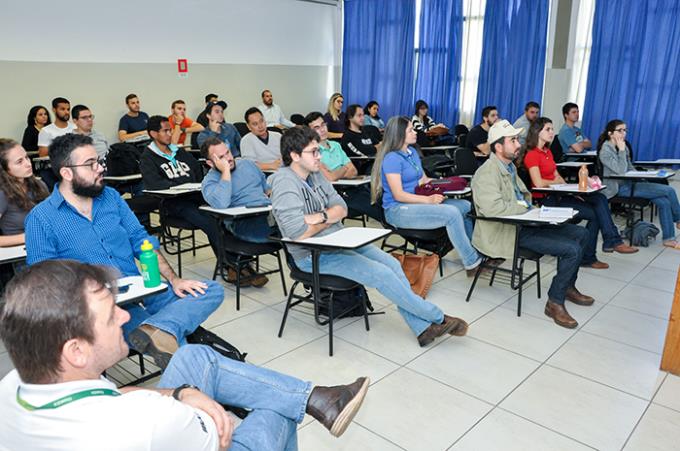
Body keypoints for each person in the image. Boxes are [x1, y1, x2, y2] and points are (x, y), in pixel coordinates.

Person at [0, 259, 370, 450]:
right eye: (112, 314)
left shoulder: (13, 385)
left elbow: (112, 396)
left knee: (194, 357)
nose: (126, 315)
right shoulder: (150, 422)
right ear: (76, 350)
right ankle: (306, 401)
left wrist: (182, 393)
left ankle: (317, 398)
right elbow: (220, 439)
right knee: (274, 409)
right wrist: (194, 408)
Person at [24, 133, 224, 368]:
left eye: (99, 161)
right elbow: (44, 282)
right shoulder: (41, 218)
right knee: (152, 333)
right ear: (67, 173)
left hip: (143, 287)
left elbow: (141, 241)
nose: (100, 168)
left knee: (211, 290)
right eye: (91, 164)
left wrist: (175, 279)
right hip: (106, 305)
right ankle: (190, 358)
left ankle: (163, 330)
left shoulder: (111, 197)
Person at [270, 126, 469, 347]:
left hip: (339, 241)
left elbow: (341, 207)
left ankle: (422, 329)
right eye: (313, 152)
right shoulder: (284, 182)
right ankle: (438, 317)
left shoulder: (315, 175)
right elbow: (297, 232)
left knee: (392, 263)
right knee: (381, 274)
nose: (319, 156)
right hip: (312, 255)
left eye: (318, 150)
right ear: (294, 156)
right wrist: (328, 218)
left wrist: (320, 216)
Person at [471, 120, 595, 328]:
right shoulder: (486, 173)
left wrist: (533, 210)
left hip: (525, 222)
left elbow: (523, 198)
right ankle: (555, 302)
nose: (518, 144)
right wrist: (526, 209)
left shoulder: (509, 168)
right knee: (571, 250)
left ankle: (567, 286)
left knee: (581, 234)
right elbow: (494, 209)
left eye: (517, 140)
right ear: (498, 146)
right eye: (512, 141)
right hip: (509, 231)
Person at [371, 116, 482, 275]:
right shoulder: (392, 159)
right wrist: (428, 200)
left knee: (465, 206)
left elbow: (423, 180)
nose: (415, 132)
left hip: (416, 202)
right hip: (398, 210)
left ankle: (475, 250)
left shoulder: (412, 152)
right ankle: (472, 262)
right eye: (411, 130)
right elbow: (399, 194)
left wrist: (445, 183)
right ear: (399, 134)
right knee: (451, 213)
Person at [521, 117, 637, 266]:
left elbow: (558, 177)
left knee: (600, 198)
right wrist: (556, 182)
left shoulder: (547, 152)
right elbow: (538, 183)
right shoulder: (532, 154)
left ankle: (608, 243)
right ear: (537, 132)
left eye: (552, 128)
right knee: (596, 215)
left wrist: (574, 192)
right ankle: (597, 251)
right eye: (548, 129)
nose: (552, 132)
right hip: (547, 200)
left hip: (558, 194)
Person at [598, 119, 680, 249]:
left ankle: (668, 239)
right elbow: (620, 170)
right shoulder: (605, 151)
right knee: (669, 191)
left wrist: (643, 176)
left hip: (630, 184)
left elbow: (629, 168)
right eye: (620, 130)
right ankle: (679, 220)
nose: (623, 133)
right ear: (610, 133)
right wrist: (622, 150)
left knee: (664, 201)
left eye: (625, 130)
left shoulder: (622, 146)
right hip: (618, 188)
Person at [306, 111, 383, 221]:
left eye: (323, 124)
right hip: (334, 195)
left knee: (379, 198)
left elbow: (353, 170)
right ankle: (397, 226)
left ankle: (401, 225)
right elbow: (330, 178)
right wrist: (344, 168)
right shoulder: (311, 151)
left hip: (352, 188)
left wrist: (337, 172)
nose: (322, 129)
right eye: (316, 128)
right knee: (372, 205)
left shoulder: (336, 145)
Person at [201, 136, 276, 243]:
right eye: (221, 157)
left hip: (268, 213)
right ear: (211, 163)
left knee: (297, 229)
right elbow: (221, 203)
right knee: (288, 236)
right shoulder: (209, 182)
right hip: (243, 220)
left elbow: (267, 190)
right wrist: (225, 171)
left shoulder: (247, 164)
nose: (228, 158)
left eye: (228, 152)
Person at [0, 139, 48, 247]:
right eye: (19, 162)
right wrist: (29, 236)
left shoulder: (39, 184)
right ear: (4, 169)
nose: (28, 164)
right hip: (21, 254)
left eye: (26, 157)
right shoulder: (2, 194)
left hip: (47, 246)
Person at [240, 107, 282, 171]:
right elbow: (249, 165)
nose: (260, 126)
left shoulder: (278, 136)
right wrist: (271, 165)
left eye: (261, 121)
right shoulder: (246, 140)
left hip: (282, 170)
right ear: (248, 126)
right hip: (263, 174)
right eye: (255, 124)